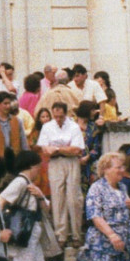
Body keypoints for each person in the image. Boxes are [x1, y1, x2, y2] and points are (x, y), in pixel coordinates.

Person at [39, 101, 86, 247]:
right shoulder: (47, 127)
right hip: (55, 163)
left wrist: (57, 148)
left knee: (73, 198)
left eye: (61, 116)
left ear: (65, 114)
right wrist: (65, 148)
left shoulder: (73, 126)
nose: (58, 119)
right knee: (58, 198)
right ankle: (61, 235)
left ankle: (76, 234)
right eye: (56, 116)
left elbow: (77, 149)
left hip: (71, 162)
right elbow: (45, 149)